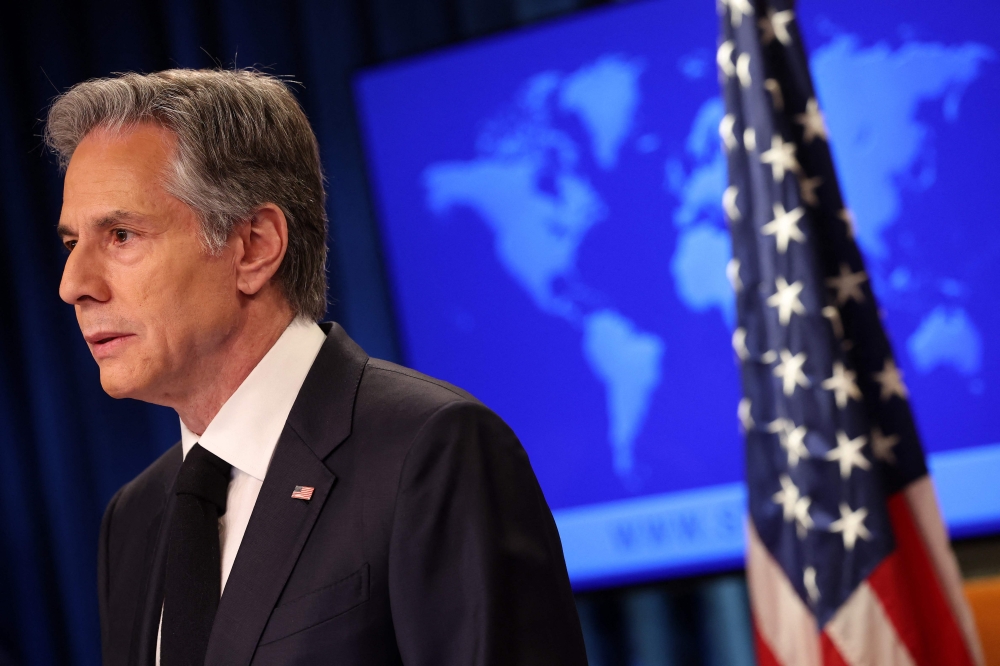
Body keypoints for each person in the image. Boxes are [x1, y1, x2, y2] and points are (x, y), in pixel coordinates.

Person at [49, 69, 587, 666]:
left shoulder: (432, 452)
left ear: (254, 246)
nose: (74, 285)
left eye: (121, 235)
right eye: (72, 244)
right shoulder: (134, 516)